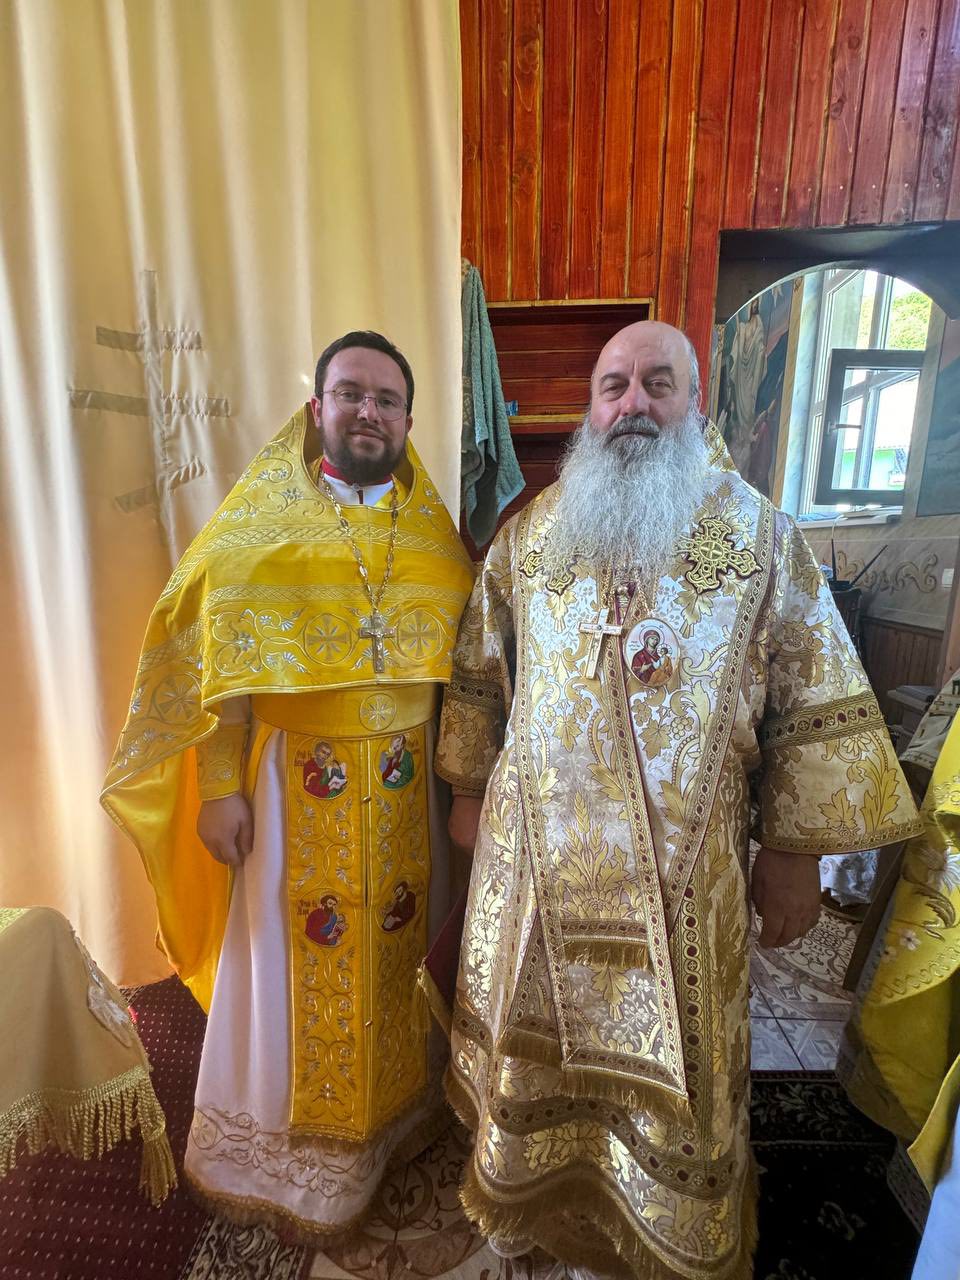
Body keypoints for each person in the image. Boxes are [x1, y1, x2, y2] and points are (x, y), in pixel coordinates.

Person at [433, 320, 921, 1280]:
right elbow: (481, 673)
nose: (633, 404)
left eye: (658, 383)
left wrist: (793, 855)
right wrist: (466, 788)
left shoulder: (760, 537)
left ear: (696, 403)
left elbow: (812, 702)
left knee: (681, 1076)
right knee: (536, 1062)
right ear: (590, 409)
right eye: (613, 385)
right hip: (536, 879)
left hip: (683, 893)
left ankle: (662, 1230)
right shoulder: (530, 536)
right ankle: (539, 1210)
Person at [102, 331, 474, 1238]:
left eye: (387, 399)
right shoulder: (256, 531)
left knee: (402, 948)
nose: (368, 412)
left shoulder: (436, 541)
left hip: (407, 797)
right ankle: (278, 1153)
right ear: (317, 410)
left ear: (408, 420)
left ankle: (399, 1120)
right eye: (350, 393)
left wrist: (463, 787)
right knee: (282, 962)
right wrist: (219, 787)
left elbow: (467, 677)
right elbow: (219, 670)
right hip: (289, 793)